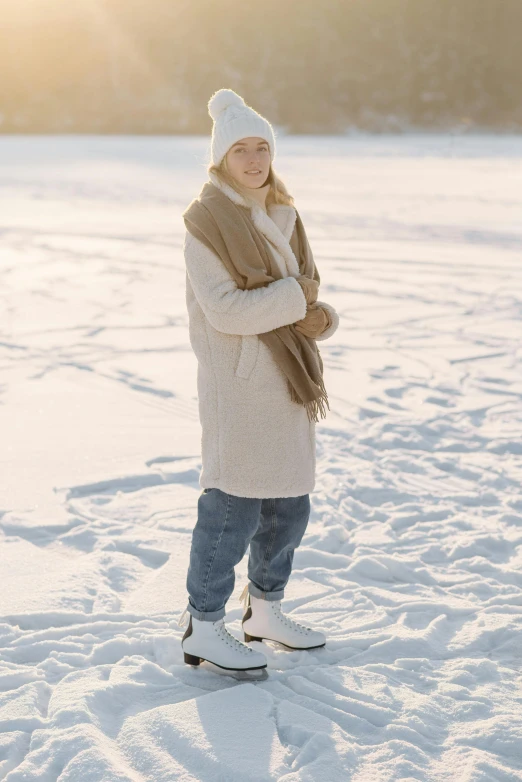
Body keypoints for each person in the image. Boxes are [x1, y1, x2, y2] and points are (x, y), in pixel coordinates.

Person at [178, 88, 339, 672]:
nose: (253, 160)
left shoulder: (285, 215)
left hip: (290, 384)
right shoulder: (207, 223)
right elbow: (226, 310)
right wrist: (299, 301)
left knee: (289, 506)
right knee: (231, 507)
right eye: (240, 149)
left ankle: (265, 611)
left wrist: (320, 316)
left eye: (262, 148)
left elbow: (312, 292)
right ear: (221, 158)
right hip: (240, 386)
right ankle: (203, 622)